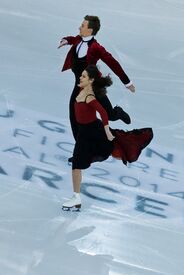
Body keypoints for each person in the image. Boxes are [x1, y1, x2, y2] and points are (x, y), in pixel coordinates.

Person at [62, 65, 152, 211]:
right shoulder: (81, 88)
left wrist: (107, 131)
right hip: (85, 129)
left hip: (92, 129)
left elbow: (103, 114)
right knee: (78, 162)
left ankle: (119, 113)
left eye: (83, 76)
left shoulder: (90, 96)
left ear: (90, 80)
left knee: (89, 157)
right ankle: (76, 197)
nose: (80, 77)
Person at [58, 15, 135, 143]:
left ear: (90, 30)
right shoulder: (78, 40)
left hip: (94, 86)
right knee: (74, 116)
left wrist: (127, 82)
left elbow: (113, 63)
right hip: (79, 86)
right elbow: (73, 39)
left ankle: (118, 112)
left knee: (108, 114)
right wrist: (66, 40)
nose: (79, 27)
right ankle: (80, 151)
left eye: (82, 25)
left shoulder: (96, 48)